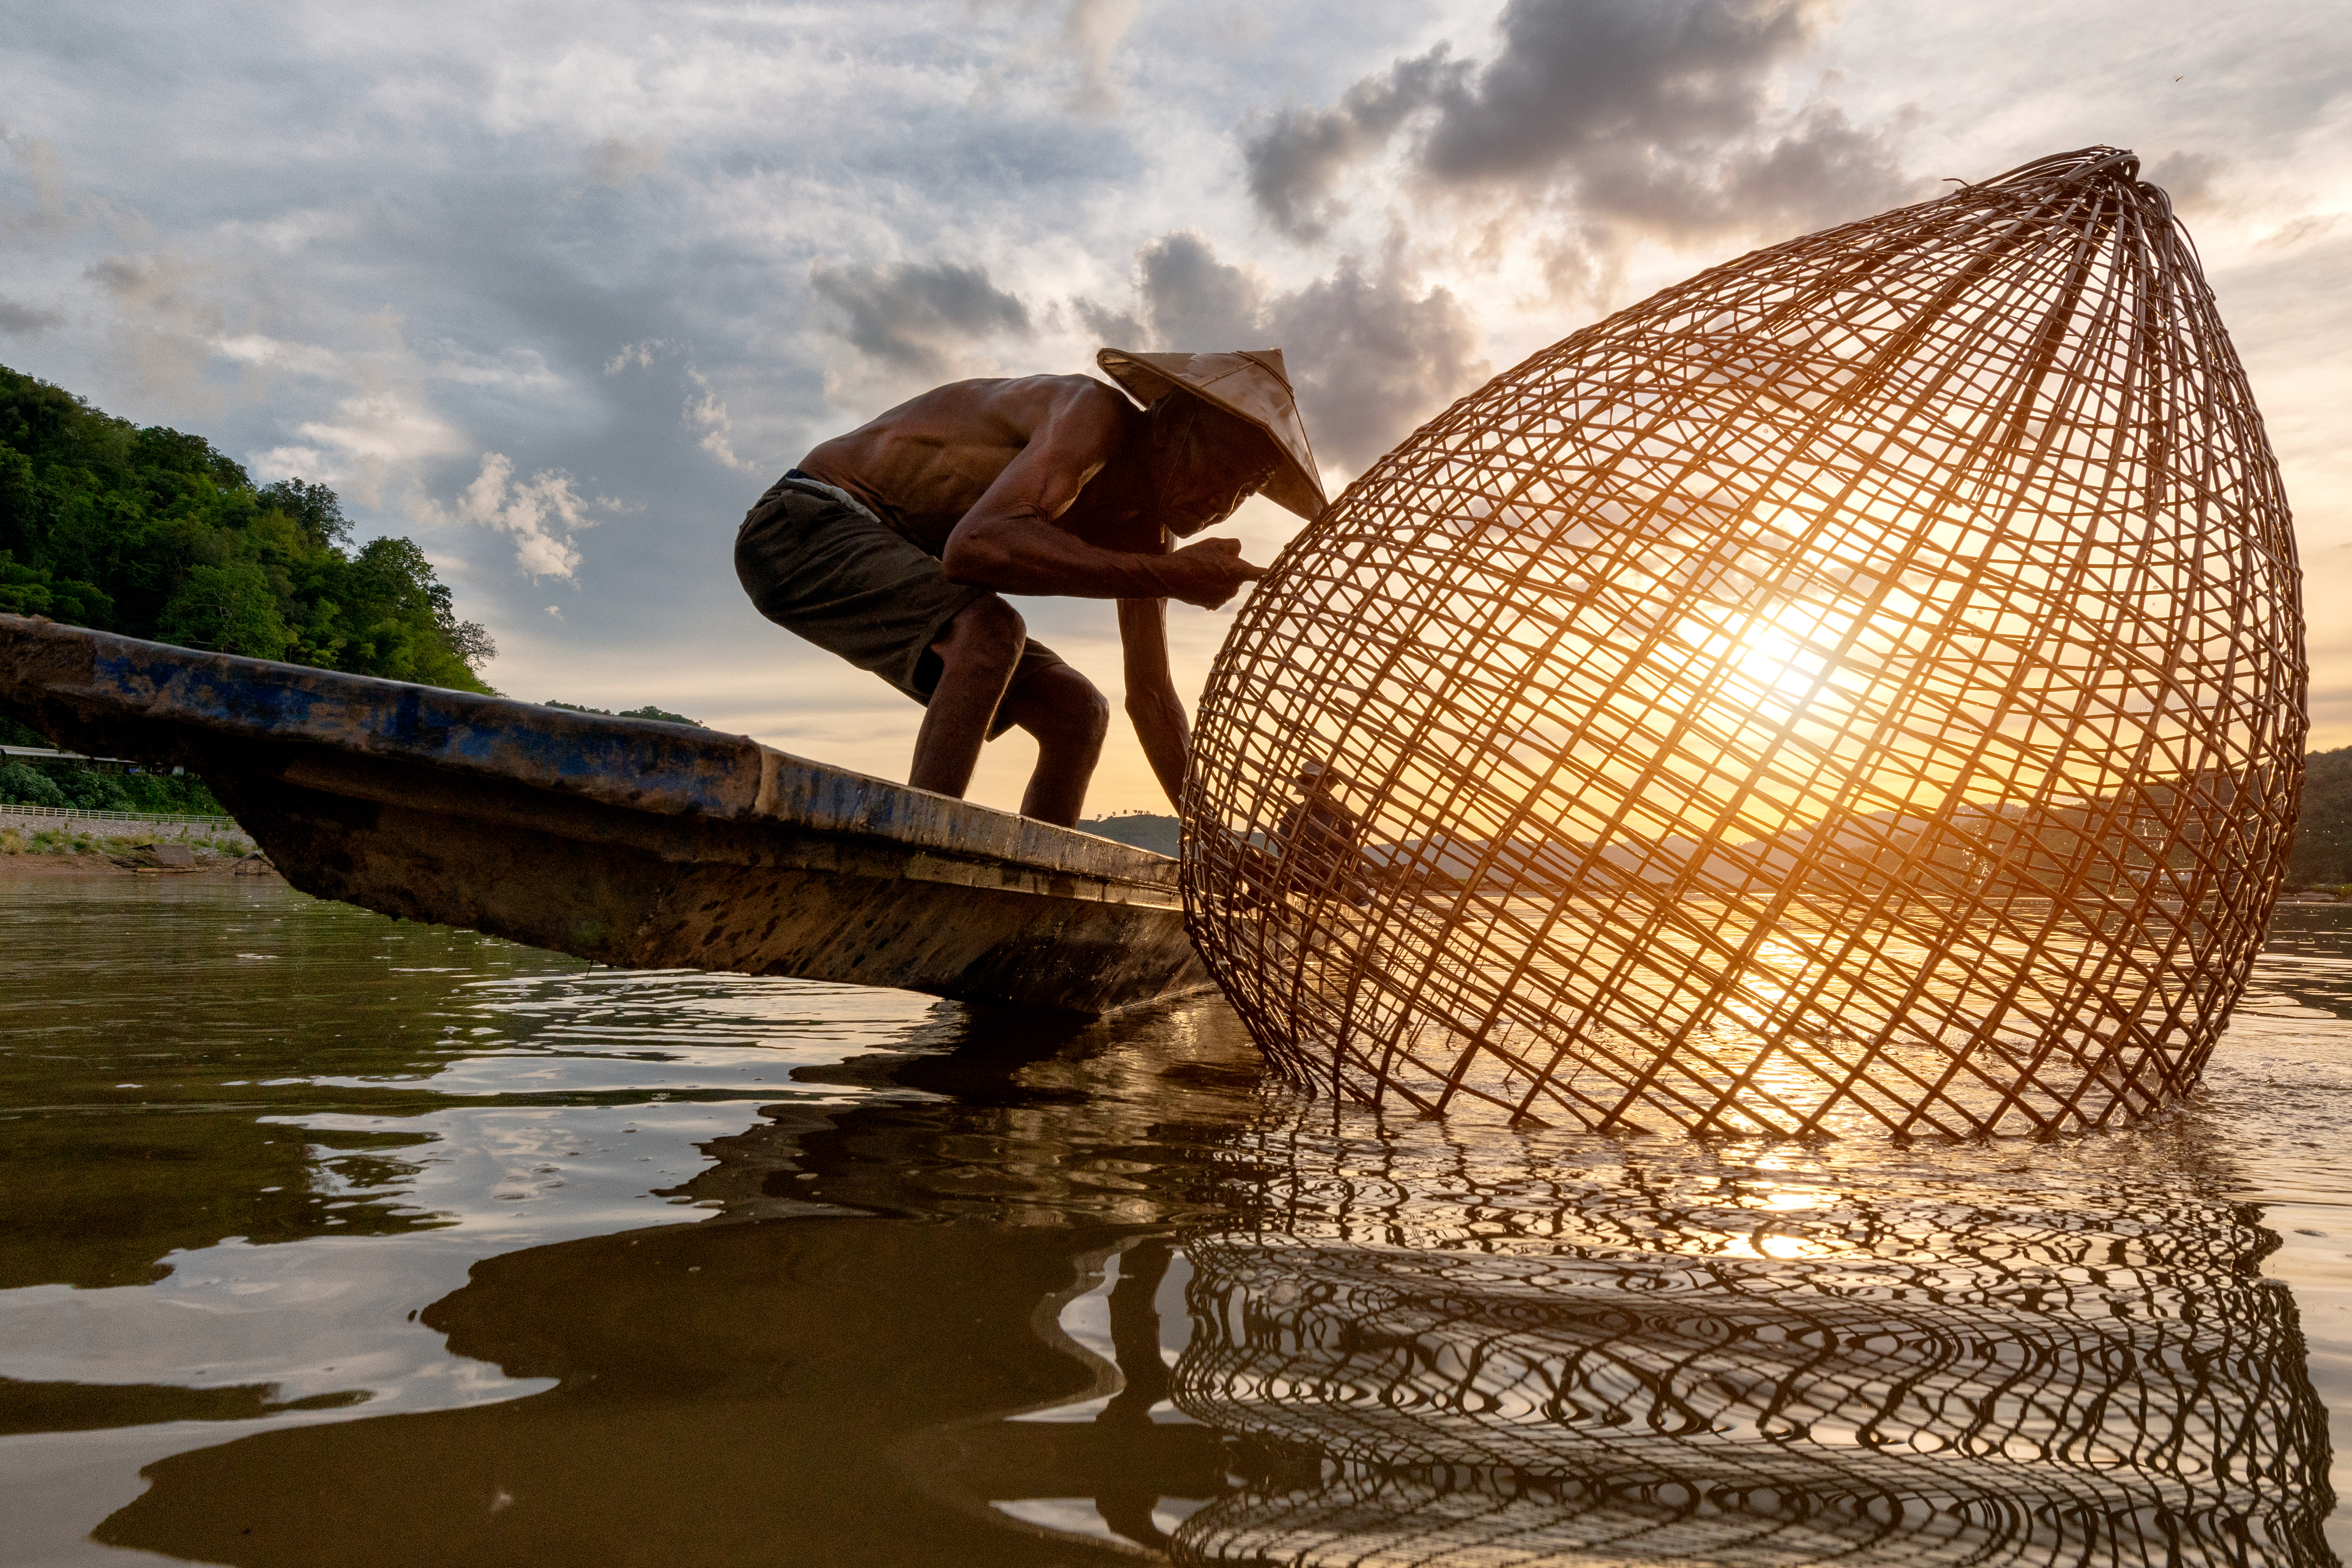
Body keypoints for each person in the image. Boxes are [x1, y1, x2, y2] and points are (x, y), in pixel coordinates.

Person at [734, 348, 1325, 827]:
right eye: (1220, 468)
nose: (1222, 502)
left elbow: (1149, 694)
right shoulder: (1089, 415)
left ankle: (1033, 888)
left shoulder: (1149, 534)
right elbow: (976, 548)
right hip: (803, 523)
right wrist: (1171, 577)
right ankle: (914, 852)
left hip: (892, 554)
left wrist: (1212, 842)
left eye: (1244, 490)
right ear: (1171, 425)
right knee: (990, 634)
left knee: (1079, 713)